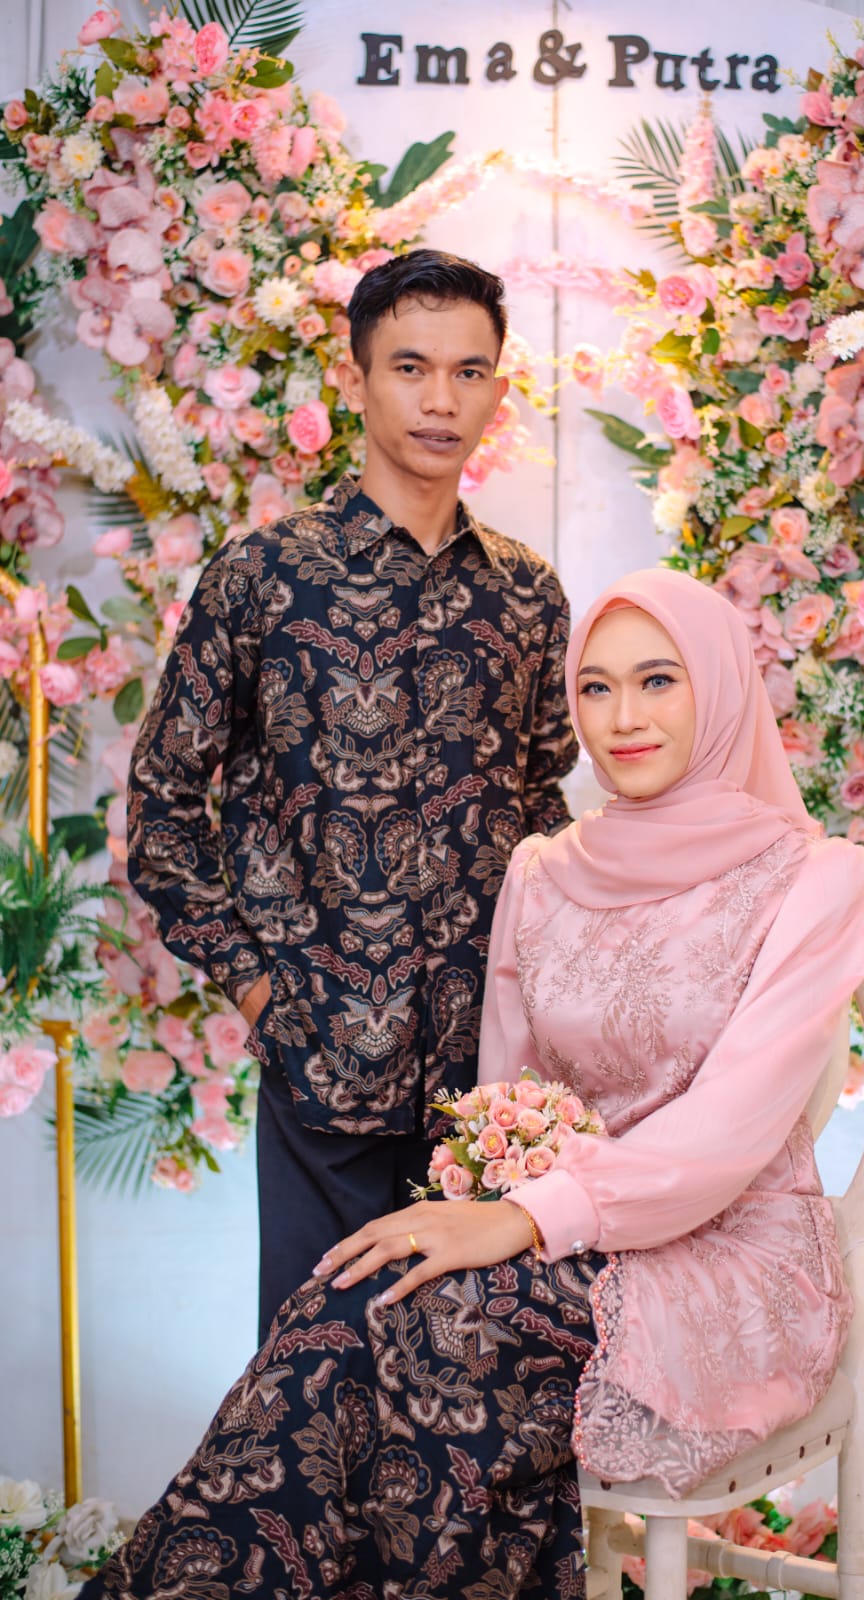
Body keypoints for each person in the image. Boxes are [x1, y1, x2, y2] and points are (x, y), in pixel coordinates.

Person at [90, 569, 864, 1600]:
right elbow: (507, 1094)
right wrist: (486, 1207)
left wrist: (516, 1222)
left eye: (657, 680)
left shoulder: (813, 878)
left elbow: (726, 1134)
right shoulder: (545, 872)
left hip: (722, 1258)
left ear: (720, 688)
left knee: (424, 1337)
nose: (623, 719)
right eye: (594, 687)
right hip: (559, 1245)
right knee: (346, 1308)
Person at [126, 250, 577, 1338]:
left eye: (469, 372)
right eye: (410, 368)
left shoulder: (527, 595)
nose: (440, 400)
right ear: (357, 378)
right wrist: (259, 992)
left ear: (498, 388)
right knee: (312, 1384)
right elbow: (161, 808)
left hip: (487, 1095)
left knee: (472, 1387)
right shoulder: (262, 578)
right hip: (319, 1067)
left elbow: (543, 811)